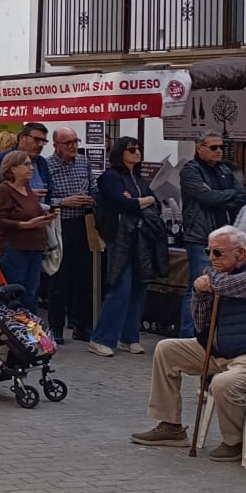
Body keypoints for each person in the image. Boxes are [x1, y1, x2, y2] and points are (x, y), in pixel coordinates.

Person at [133, 225, 246, 459]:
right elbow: (202, 324)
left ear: (240, 253)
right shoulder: (222, 272)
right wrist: (200, 296)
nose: (211, 258)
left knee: (222, 383)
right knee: (167, 349)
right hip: (223, 349)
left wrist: (205, 282)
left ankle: (234, 441)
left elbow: (225, 286)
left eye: (217, 253)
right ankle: (171, 426)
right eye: (209, 252)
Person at [89, 137, 161, 357]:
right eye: (132, 149)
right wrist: (141, 201)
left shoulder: (139, 177)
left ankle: (129, 337)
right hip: (119, 238)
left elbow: (154, 201)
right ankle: (101, 338)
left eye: (139, 148)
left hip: (140, 238)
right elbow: (123, 202)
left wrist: (141, 200)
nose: (137, 152)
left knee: (139, 287)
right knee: (121, 287)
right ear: (121, 152)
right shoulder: (111, 177)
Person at [178, 133, 246, 335]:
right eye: (214, 147)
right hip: (200, 236)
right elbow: (207, 197)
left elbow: (241, 195)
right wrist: (227, 196)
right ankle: (188, 335)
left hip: (223, 237)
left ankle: (210, 334)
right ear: (199, 148)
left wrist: (223, 196)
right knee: (198, 286)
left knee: (219, 287)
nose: (219, 151)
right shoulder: (190, 170)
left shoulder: (224, 169)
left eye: (221, 147)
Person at [44, 128, 98, 342]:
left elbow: (94, 188)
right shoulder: (47, 166)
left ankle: (81, 325)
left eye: (76, 141)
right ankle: (56, 326)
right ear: (56, 145)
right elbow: (42, 198)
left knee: (84, 277)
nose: (73, 146)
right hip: (60, 224)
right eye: (68, 143)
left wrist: (91, 199)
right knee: (60, 277)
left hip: (83, 223)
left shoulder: (83, 162)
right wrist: (62, 202)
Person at [0, 150, 56, 307]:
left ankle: (29, 329)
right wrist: (25, 225)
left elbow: (31, 211)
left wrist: (47, 215)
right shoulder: (4, 190)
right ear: (13, 168)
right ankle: (14, 328)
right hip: (15, 249)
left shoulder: (27, 189)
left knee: (31, 293)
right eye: (26, 164)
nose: (31, 168)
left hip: (35, 248)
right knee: (15, 294)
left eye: (31, 164)